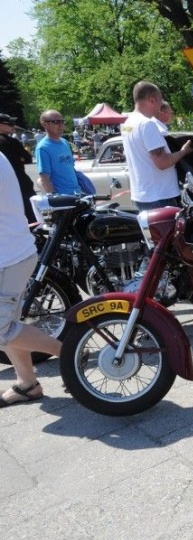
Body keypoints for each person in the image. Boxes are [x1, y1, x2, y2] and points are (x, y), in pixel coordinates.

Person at [0, 153, 62, 407]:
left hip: (8, 256)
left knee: (2, 329)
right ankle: (28, 384)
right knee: (9, 326)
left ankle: (68, 353)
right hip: (11, 253)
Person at [121, 81, 193, 210]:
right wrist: (183, 151)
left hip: (142, 195)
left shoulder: (127, 124)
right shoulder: (147, 125)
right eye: (160, 100)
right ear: (152, 100)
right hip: (160, 196)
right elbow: (162, 162)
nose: (161, 104)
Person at [0, 113, 37, 222]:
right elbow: (27, 158)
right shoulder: (11, 141)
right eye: (9, 124)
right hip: (19, 180)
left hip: (5, 185)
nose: (12, 126)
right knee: (31, 213)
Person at [35, 110, 80, 195]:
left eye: (62, 122)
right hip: (63, 197)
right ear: (45, 124)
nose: (61, 125)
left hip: (77, 193)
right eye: (56, 122)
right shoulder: (43, 148)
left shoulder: (65, 142)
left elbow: (71, 168)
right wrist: (56, 200)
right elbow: (45, 179)